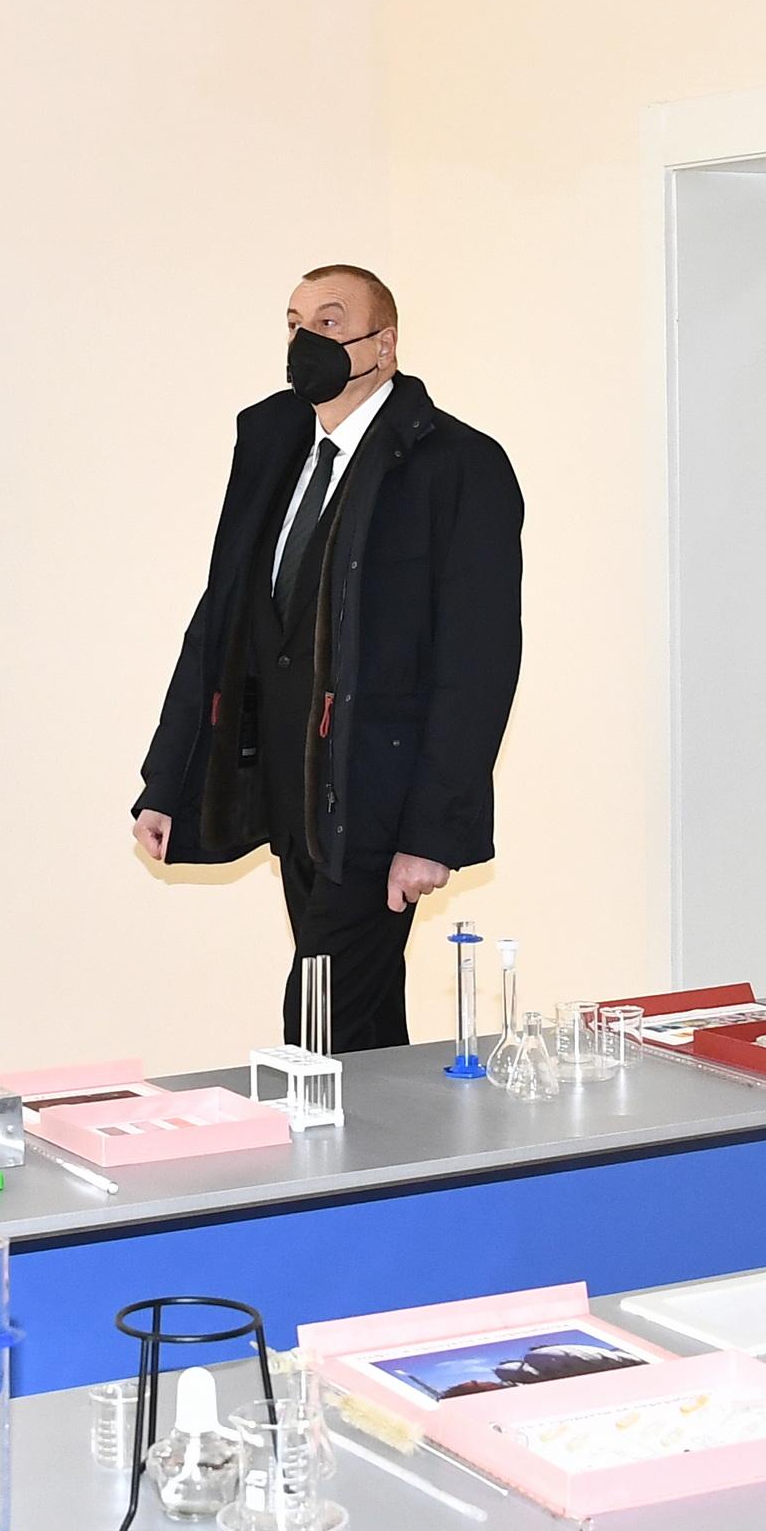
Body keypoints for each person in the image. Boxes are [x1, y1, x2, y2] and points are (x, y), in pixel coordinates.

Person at [131, 267, 525, 1053]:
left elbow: (477, 664)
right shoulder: (276, 450)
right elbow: (221, 623)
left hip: (379, 804)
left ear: (385, 344)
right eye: (293, 322)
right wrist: (169, 781)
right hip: (293, 800)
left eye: (330, 321)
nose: (305, 339)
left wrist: (433, 832)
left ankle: (325, 1138)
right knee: (362, 1034)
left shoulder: (456, 464)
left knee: (317, 1023)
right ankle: (398, 1137)